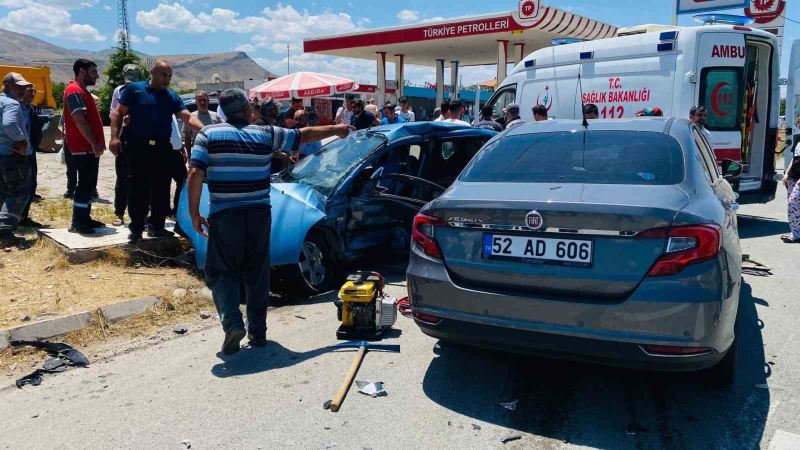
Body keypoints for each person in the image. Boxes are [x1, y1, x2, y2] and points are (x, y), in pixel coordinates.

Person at [187, 88, 353, 355]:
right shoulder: (264, 134)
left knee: (222, 272)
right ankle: (258, 332)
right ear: (245, 111)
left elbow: (195, 171)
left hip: (225, 215)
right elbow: (303, 136)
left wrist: (194, 213)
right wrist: (337, 128)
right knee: (257, 272)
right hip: (259, 214)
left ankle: (232, 324)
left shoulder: (209, 134)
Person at [109, 60, 205, 243]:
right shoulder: (134, 89)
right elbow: (117, 113)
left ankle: (157, 226)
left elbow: (187, 116)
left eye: (169, 76)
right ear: (152, 72)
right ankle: (136, 228)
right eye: (164, 75)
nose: (167, 79)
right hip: (137, 145)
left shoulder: (171, 96)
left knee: (162, 187)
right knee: (139, 187)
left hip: (162, 146)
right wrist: (114, 137)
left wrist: (206, 131)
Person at [63, 59, 106, 234]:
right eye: (93, 71)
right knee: (84, 184)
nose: (97, 75)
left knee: (89, 184)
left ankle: (84, 217)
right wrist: (93, 143)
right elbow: (79, 119)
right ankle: (78, 222)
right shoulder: (74, 91)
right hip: (82, 147)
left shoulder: (83, 92)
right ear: (82, 71)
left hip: (88, 147)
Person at [0, 72, 33, 247]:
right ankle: (4, 232)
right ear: (10, 86)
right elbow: (9, 124)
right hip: (11, 155)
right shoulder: (12, 104)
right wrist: (21, 141)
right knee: (19, 191)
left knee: (3, 191)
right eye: (20, 86)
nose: (23, 89)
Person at [108, 64, 142, 227]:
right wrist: (115, 136)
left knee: (142, 178)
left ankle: (140, 214)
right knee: (122, 177)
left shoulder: (145, 90)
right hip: (124, 137)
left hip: (142, 139)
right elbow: (114, 113)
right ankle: (119, 213)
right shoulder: (119, 91)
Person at [19, 84, 43, 228]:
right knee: (15, 187)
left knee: (31, 184)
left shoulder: (31, 109)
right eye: (30, 91)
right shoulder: (14, 108)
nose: (33, 94)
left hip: (30, 151)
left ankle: (23, 217)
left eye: (34, 91)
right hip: (16, 153)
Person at [782, 143, 800, 243]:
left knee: (793, 202)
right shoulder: (798, 139)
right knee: (793, 204)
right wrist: (787, 173)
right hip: (793, 175)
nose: (798, 125)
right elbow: (794, 159)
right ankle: (795, 231)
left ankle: (796, 234)